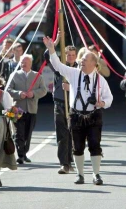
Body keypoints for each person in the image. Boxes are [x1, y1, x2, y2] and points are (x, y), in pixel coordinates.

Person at [43, 36, 113, 185]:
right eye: (81, 59)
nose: (81, 61)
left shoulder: (100, 79)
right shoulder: (74, 73)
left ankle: (96, 174)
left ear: (94, 63)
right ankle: (80, 175)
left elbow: (110, 98)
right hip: (76, 115)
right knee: (77, 147)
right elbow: (57, 66)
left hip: (94, 115)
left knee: (95, 145)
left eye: (85, 59)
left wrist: (103, 103)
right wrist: (51, 49)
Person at [7, 54, 47, 164]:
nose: (23, 64)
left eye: (26, 62)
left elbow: (44, 90)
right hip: (16, 108)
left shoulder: (37, 76)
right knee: (17, 133)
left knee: (27, 134)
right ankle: (20, 154)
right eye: (22, 62)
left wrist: (33, 94)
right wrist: (19, 93)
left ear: (31, 63)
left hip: (32, 109)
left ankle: (24, 153)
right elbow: (8, 89)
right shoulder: (14, 75)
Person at [44, 44, 78, 174]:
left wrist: (71, 88)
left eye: (73, 55)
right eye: (68, 55)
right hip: (60, 103)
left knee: (72, 135)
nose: (70, 57)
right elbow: (47, 56)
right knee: (62, 134)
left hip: (74, 105)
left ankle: (71, 160)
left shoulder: (80, 69)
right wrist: (55, 43)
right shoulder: (58, 67)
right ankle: (64, 163)